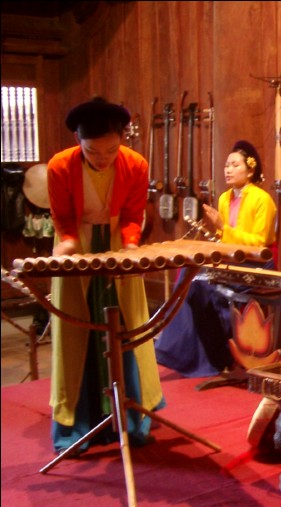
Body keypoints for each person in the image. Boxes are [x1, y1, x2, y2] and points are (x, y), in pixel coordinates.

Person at [47, 96, 165, 454]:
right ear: (78, 143)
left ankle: (131, 418)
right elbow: (64, 217)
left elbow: (132, 214)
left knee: (128, 325)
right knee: (76, 329)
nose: (103, 158)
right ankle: (77, 423)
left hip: (117, 239)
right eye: (93, 151)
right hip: (76, 240)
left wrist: (130, 244)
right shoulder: (59, 167)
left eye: (111, 150)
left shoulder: (135, 164)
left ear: (122, 140)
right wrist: (67, 242)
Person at [155, 140, 278, 377]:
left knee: (200, 286)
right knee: (187, 279)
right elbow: (223, 239)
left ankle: (214, 357)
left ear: (250, 170)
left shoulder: (263, 199)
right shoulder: (224, 198)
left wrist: (223, 228)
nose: (228, 170)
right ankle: (184, 354)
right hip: (231, 261)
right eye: (226, 165)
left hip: (255, 264)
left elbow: (260, 242)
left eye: (234, 165)